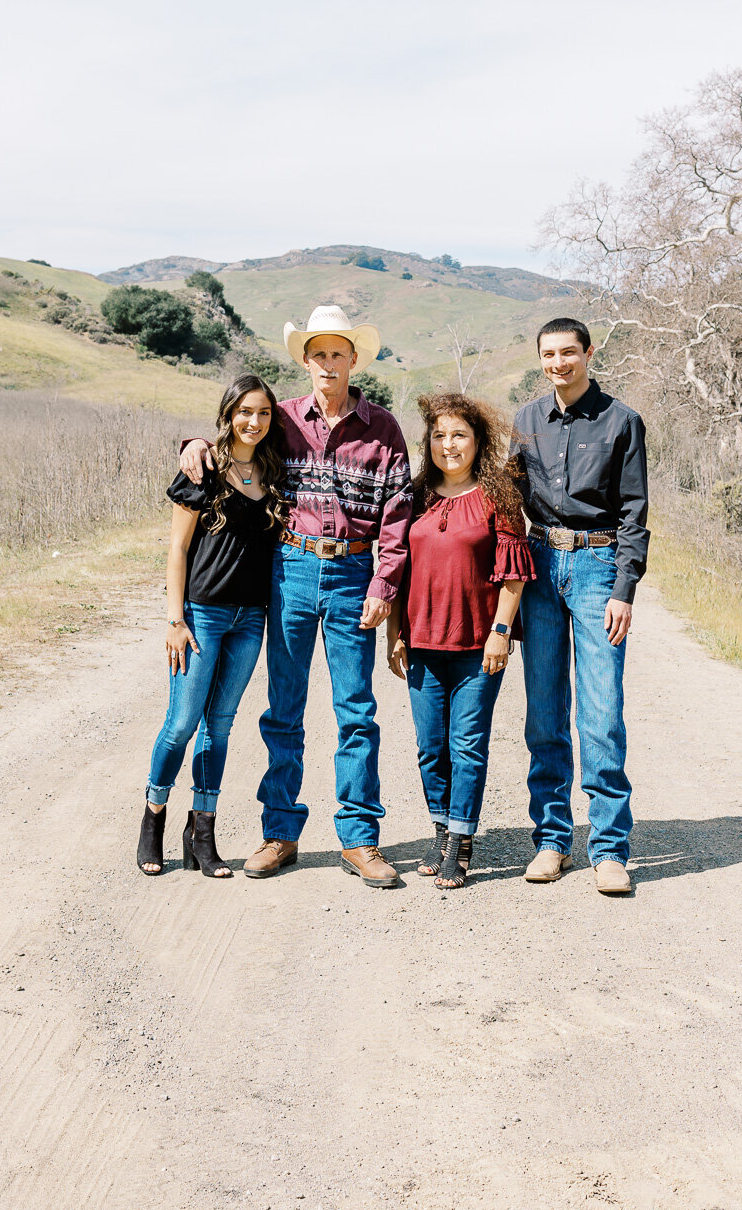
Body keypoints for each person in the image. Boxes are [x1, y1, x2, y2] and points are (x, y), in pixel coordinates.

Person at [180, 306, 412, 888]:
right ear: (305, 362)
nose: (328, 365)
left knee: (356, 710)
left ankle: (359, 839)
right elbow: (234, 436)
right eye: (318, 355)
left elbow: (397, 514)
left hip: (354, 575)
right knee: (283, 708)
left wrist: (385, 584)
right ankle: (280, 832)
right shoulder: (280, 419)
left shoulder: (383, 428)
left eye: (338, 354)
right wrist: (192, 444)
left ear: (353, 360)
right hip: (290, 571)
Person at [510, 317, 649, 896]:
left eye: (569, 352)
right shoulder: (525, 421)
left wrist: (624, 590)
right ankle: (551, 840)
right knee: (544, 711)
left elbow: (634, 514)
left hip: (596, 569)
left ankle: (610, 849)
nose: (559, 363)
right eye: (549, 354)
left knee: (600, 710)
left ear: (588, 353)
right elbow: (506, 503)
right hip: (541, 565)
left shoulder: (622, 421)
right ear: (540, 359)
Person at [137, 373, 286, 880]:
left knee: (218, 727)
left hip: (251, 619)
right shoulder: (202, 471)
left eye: (264, 412)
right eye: (245, 411)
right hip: (202, 615)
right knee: (182, 723)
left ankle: (202, 833)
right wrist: (175, 620)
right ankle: (154, 817)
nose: (254, 421)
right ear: (227, 414)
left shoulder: (275, 468)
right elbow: (177, 549)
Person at [386, 394, 534, 889]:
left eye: (460, 435)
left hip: (477, 645)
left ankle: (460, 843)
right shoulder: (415, 495)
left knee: (466, 745)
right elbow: (397, 569)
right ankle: (441, 832)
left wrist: (500, 633)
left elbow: (513, 577)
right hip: (423, 642)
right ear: (428, 442)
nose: (449, 445)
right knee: (431, 747)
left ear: (478, 440)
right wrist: (396, 633)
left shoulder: (500, 497)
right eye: (440, 435)